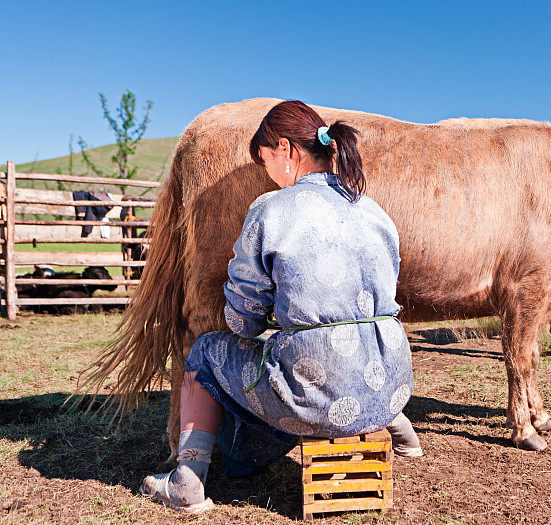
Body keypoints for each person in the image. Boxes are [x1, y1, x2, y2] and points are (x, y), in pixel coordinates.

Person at [140, 100, 422, 514]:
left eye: (266, 160)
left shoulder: (271, 210)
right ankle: (400, 429)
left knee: (204, 352)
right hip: (393, 383)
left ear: (286, 150)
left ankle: (186, 481)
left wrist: (274, 317)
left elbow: (242, 320)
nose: (268, 174)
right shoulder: (374, 210)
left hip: (323, 394)